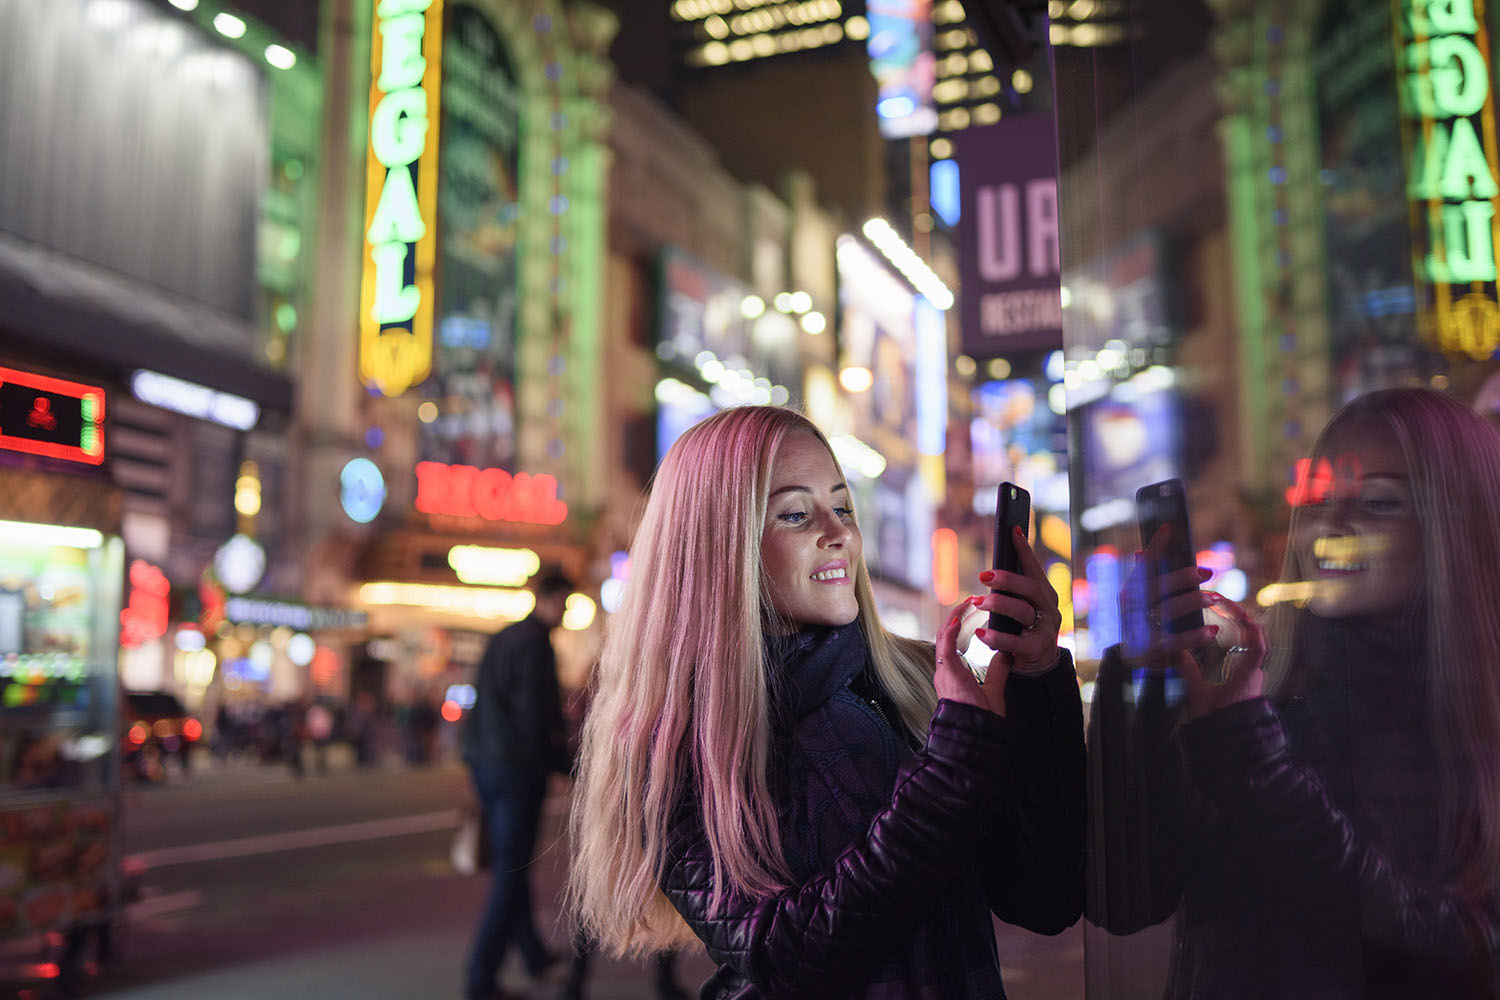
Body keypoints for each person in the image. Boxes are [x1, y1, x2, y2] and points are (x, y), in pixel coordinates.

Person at [566, 405, 1086, 997]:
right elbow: (788, 954)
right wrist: (951, 769)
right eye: (794, 514)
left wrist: (1040, 674)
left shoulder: (918, 683)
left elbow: (1046, 897)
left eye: (842, 507)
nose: (838, 533)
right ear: (716, 545)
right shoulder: (675, 740)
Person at [1088, 387, 1500, 998]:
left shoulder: (1463, 723)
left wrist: (1260, 776)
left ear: (1455, 525)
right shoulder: (1265, 707)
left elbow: (1468, 950)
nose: (1330, 527)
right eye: (1315, 500)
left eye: (1380, 503)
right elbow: (1125, 899)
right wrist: (1144, 678)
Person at [461, 569, 576, 1000]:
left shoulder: (504, 637)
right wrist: (564, 766)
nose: (563, 614)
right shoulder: (535, 644)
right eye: (563, 604)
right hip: (516, 769)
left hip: (487, 765)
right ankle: (480, 976)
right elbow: (536, 718)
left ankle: (533, 954)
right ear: (547, 598)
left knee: (516, 863)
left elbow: (484, 705)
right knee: (510, 872)